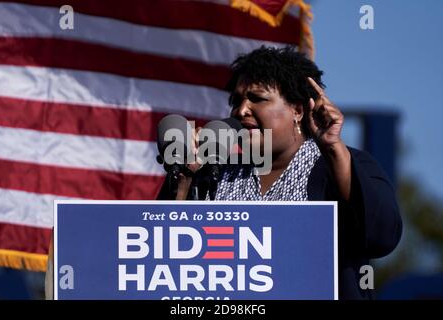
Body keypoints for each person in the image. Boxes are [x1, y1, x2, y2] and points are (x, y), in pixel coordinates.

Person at [157, 45, 403, 300]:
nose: (241, 111)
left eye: (257, 98)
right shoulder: (215, 174)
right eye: (237, 100)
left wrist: (333, 149)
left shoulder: (337, 165)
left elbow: (381, 236)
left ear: (297, 111)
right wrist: (185, 177)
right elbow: (165, 259)